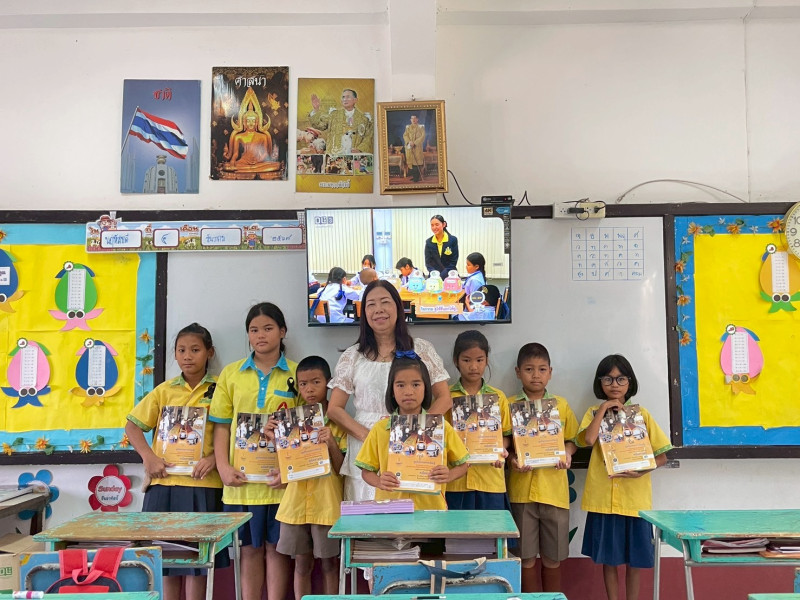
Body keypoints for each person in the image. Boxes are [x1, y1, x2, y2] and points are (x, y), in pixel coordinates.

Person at [327, 280, 452, 501]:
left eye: (385, 302)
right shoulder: (352, 355)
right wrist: (370, 437)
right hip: (365, 444)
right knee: (367, 512)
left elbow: (445, 398)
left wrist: (418, 429)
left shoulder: (421, 348)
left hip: (412, 444)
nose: (378, 310)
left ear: (398, 307)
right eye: (371, 304)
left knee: (411, 506)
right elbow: (334, 409)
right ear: (364, 312)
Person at [126, 323, 225, 600]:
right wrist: (149, 457)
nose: (187, 356)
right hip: (164, 484)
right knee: (165, 559)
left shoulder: (221, 388)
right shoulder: (165, 390)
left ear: (209, 353)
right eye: (181, 350)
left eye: (195, 350)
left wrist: (215, 459)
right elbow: (132, 426)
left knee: (197, 561)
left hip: (203, 485)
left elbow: (231, 432)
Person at [209, 303, 300, 600]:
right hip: (241, 484)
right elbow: (221, 426)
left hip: (281, 484)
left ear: (282, 331)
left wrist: (289, 472)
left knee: (278, 550)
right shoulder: (231, 374)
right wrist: (222, 467)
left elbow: (305, 430)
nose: (260, 335)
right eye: (254, 330)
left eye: (268, 328)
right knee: (248, 551)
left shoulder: (298, 373)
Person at [578, 354, 672, 600]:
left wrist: (642, 470)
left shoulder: (641, 415)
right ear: (600, 383)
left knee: (634, 560)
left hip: (634, 501)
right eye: (608, 379)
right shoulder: (592, 412)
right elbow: (588, 439)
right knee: (609, 560)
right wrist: (603, 409)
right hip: (603, 501)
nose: (615, 384)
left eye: (621, 379)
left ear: (630, 382)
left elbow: (662, 456)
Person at [355, 352, 469, 510]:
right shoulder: (380, 429)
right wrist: (379, 481)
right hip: (391, 511)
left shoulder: (441, 427)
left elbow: (464, 464)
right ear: (392, 390)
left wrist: (448, 475)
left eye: (416, 384)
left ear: (426, 388)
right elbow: (366, 471)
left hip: (431, 511)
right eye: (400, 385)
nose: (408, 391)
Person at [272, 356, 345, 598]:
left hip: (327, 505)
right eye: (303, 384)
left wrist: (331, 442)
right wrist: (275, 439)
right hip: (295, 505)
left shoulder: (338, 421)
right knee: (301, 565)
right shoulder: (289, 422)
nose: (309, 389)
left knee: (330, 564)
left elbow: (342, 469)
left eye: (316, 382)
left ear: (329, 383)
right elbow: (285, 465)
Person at [508, 343, 578, 593]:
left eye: (541, 369)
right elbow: (503, 444)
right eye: (529, 369)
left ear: (550, 372)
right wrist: (512, 459)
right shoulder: (508, 405)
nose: (535, 375)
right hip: (522, 493)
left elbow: (572, 440)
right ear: (518, 372)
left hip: (554, 492)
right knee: (525, 558)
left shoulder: (560, 405)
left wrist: (567, 453)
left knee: (552, 558)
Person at [445, 330, 511, 510]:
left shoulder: (498, 397)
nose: (473, 366)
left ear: (487, 360)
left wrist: (500, 449)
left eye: (479, 360)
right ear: (456, 361)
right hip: (456, 482)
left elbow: (506, 435)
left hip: (490, 479)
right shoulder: (446, 397)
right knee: (457, 528)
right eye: (466, 360)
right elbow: (441, 436)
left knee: (492, 527)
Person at [308, 88, 373, 155]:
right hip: (334, 154)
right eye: (343, 97)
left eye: (348, 97)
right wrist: (316, 109)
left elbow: (368, 138)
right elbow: (319, 125)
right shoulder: (334, 115)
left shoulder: (363, 119)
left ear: (355, 100)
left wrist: (359, 149)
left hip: (353, 155)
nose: (345, 99)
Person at [403, 114, 425, 182]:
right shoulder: (408, 127)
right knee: (411, 163)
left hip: (417, 147)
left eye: (415, 118)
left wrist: (414, 143)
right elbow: (405, 135)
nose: (413, 120)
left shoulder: (421, 127)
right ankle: (414, 176)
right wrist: (409, 142)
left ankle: (416, 178)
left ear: (417, 119)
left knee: (416, 163)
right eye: (412, 118)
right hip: (410, 147)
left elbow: (422, 136)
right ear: (410, 120)